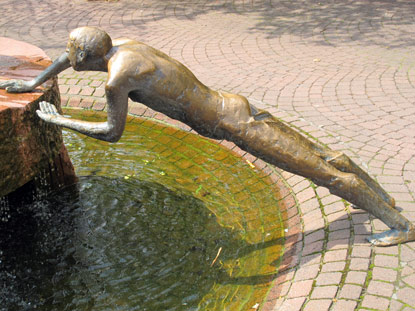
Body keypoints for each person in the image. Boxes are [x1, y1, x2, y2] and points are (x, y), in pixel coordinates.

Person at [1, 26, 413, 246]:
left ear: (89, 58)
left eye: (77, 62)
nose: (72, 65)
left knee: (322, 173)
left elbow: (111, 133)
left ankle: (399, 223)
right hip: (235, 103)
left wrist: (60, 121)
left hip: (234, 126)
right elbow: (65, 58)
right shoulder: (122, 44)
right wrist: (34, 80)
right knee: (327, 155)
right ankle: (386, 200)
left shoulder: (116, 80)